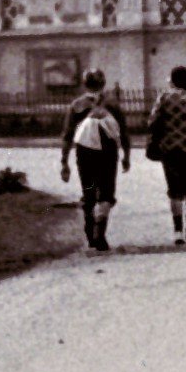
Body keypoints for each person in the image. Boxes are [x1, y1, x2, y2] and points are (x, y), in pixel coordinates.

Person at [60, 69, 131, 251]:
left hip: (85, 153)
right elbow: (123, 133)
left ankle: (90, 233)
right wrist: (126, 157)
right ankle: (100, 233)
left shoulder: (76, 105)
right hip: (108, 153)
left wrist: (64, 162)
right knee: (106, 191)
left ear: (84, 84)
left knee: (89, 190)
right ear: (104, 83)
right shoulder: (113, 105)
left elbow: (67, 135)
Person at [148, 65, 186, 245]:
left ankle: (177, 231)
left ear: (174, 80)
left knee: (174, 189)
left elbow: (152, 123)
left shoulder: (164, 99)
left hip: (170, 149)